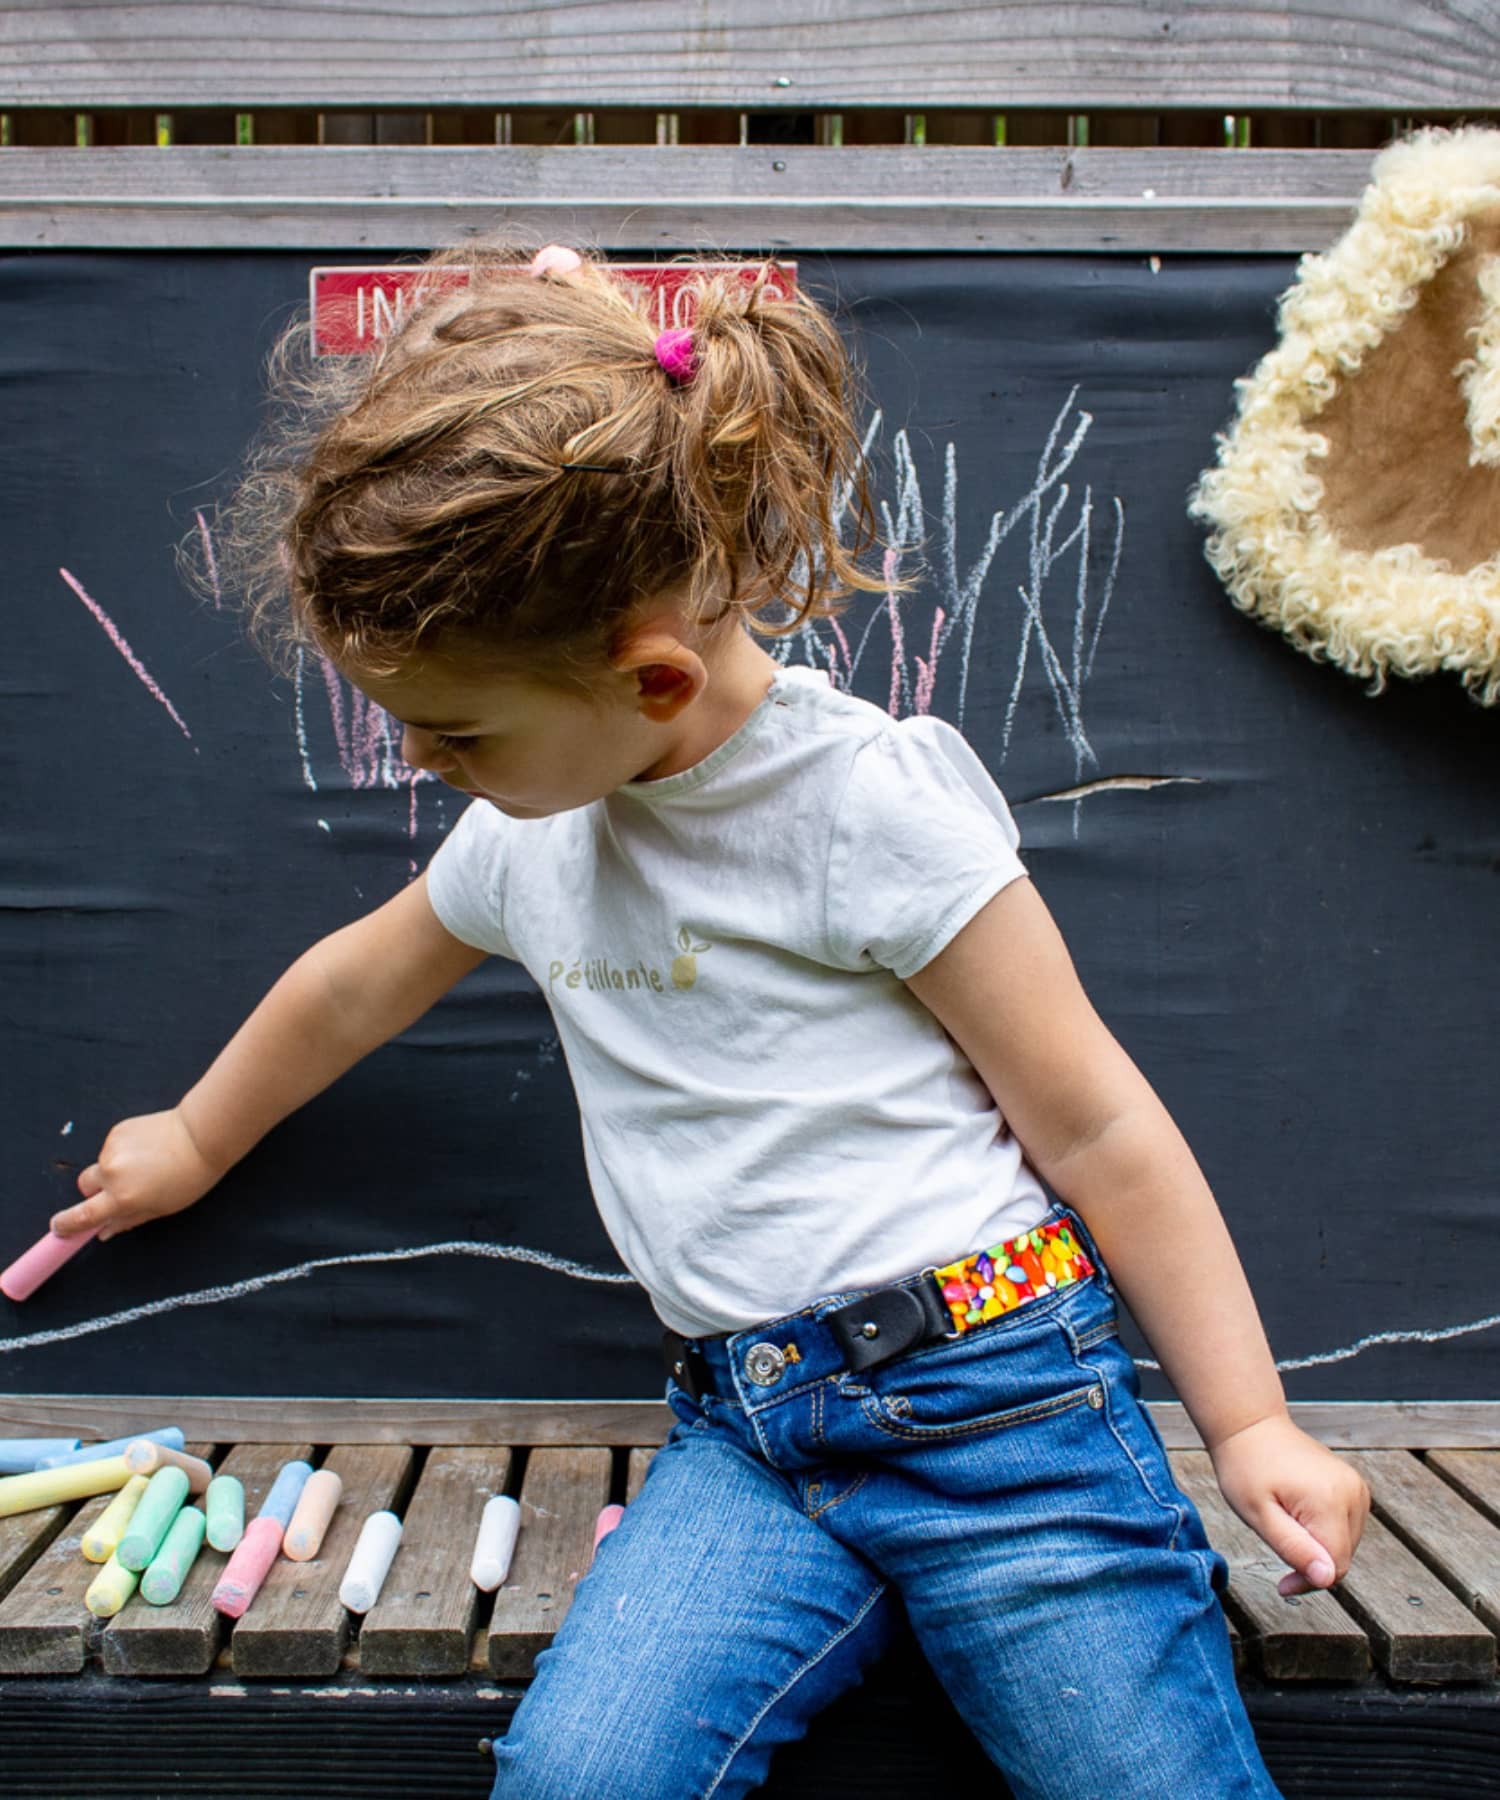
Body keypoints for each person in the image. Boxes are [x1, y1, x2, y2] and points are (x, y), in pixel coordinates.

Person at [50, 239, 1368, 1799]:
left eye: (454, 731)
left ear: (654, 680)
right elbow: (354, 981)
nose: (423, 765)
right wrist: (199, 1137)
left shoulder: (865, 805)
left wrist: (1255, 1422)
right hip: (752, 1440)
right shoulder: (532, 827)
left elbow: (1095, 1121)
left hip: (1003, 1420)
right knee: (577, 1784)